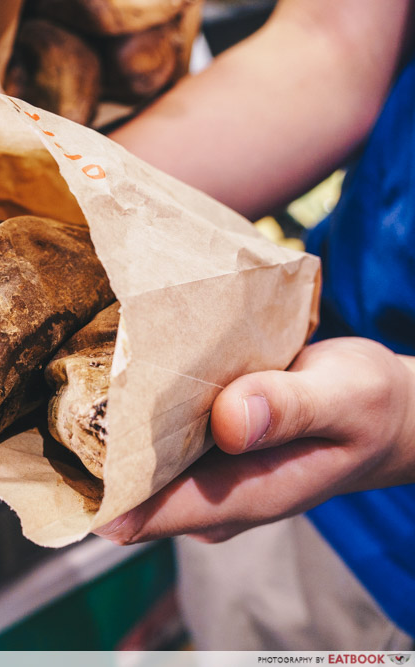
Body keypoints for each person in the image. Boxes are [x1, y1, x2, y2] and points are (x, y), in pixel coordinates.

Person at [92, 0, 415, 649]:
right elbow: (332, 42)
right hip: (302, 368)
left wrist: (404, 422)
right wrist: (67, 197)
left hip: (396, 563)